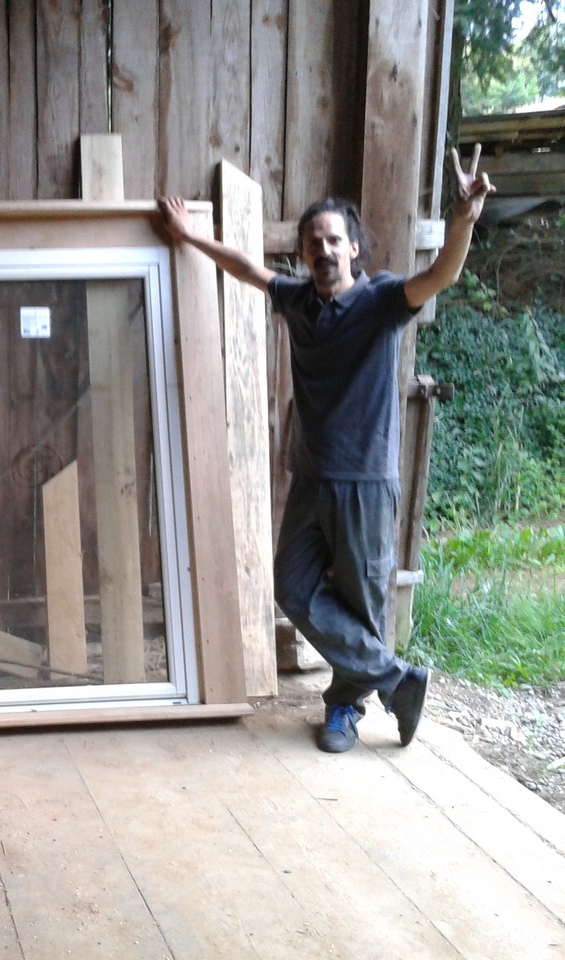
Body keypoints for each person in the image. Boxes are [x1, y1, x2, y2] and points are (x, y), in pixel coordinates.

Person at [157, 147, 494, 753]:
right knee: (292, 586)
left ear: (354, 248)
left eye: (334, 240)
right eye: (314, 243)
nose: (324, 250)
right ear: (304, 254)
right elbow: (245, 267)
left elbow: (441, 275)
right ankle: (398, 680)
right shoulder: (297, 301)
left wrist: (464, 220)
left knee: (361, 604)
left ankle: (344, 708)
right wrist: (188, 236)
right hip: (312, 479)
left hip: (365, 482)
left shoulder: (382, 302)